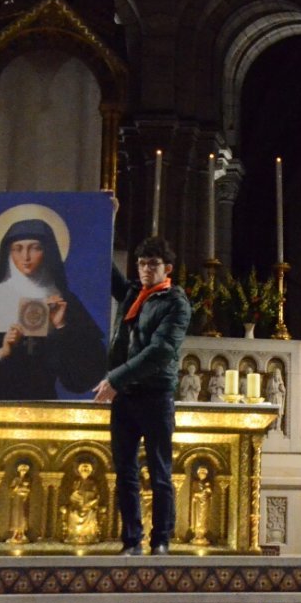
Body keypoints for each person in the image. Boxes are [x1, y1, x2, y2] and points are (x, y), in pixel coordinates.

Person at [93, 236, 191, 556]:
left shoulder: (176, 302)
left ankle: (161, 540)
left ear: (168, 268)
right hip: (126, 396)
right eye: (141, 263)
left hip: (155, 395)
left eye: (153, 263)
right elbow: (107, 274)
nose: (146, 269)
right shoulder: (134, 293)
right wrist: (103, 222)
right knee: (125, 472)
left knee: (160, 472)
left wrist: (115, 379)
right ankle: (131, 540)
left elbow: (160, 351)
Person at [0, 216, 105, 400]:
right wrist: (0, 353)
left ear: (48, 252)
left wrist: (62, 327)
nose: (26, 257)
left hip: (43, 403)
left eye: (35, 248)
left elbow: (89, 371)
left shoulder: (63, 301)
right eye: (18, 249)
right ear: (8, 252)